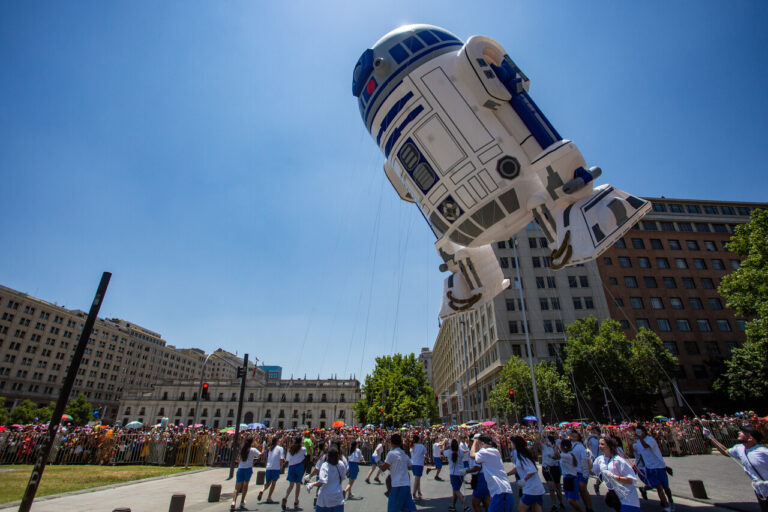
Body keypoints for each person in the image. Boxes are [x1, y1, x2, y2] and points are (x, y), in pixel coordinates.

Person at [705, 424, 768, 511]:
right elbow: (726, 452)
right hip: (760, 490)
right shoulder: (739, 448)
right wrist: (711, 437)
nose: (739, 432)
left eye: (743, 432)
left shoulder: (763, 451)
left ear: (750, 438)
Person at [591, 436, 641, 512]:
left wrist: (614, 477)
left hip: (628, 498)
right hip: (616, 496)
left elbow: (631, 480)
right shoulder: (600, 459)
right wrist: (588, 458)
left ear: (609, 446)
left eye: (602, 444)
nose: (599, 446)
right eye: (599, 444)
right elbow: (592, 472)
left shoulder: (619, 461)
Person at [633, 425, 673, 512]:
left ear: (643, 432)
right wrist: (640, 466)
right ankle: (666, 506)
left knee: (666, 487)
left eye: (639, 432)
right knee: (659, 487)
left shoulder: (650, 439)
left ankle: (671, 501)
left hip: (659, 466)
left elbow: (646, 446)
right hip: (649, 467)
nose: (637, 434)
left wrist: (640, 438)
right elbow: (641, 455)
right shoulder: (639, 442)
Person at [471, 433, 515, 512]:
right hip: (504, 491)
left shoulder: (484, 452)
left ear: (482, 443)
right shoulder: (495, 451)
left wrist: (474, 442)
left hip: (500, 492)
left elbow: (472, 455)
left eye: (479, 444)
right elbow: (479, 462)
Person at [378, 433, 417, 512]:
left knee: (393, 508)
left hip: (397, 485)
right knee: (408, 507)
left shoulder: (391, 454)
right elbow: (410, 466)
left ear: (391, 442)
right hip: (406, 484)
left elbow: (384, 468)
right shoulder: (404, 454)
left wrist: (378, 462)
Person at [307, 445, 347, 512]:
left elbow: (322, 481)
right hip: (337, 496)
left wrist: (312, 484)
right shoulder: (341, 464)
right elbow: (343, 477)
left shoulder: (325, 465)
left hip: (325, 498)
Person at [512, 436, 546, 512]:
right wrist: (506, 474)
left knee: (521, 510)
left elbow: (532, 470)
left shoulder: (522, 456)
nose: (511, 444)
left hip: (531, 489)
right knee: (536, 509)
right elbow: (517, 468)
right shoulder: (521, 454)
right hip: (534, 488)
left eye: (512, 442)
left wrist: (524, 480)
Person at [232, 436, 261, 511]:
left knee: (237, 487)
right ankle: (242, 502)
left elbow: (238, 460)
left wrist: (242, 462)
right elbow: (260, 455)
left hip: (240, 468)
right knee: (245, 486)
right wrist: (263, 448)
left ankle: (233, 502)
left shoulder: (242, 449)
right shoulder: (253, 450)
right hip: (248, 469)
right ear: (252, 442)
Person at [569, 431, 594, 512]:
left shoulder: (581, 447)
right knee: (575, 492)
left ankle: (589, 507)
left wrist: (586, 473)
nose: (573, 438)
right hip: (572, 472)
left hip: (580, 472)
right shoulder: (569, 446)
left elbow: (585, 460)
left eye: (575, 436)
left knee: (582, 489)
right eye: (572, 436)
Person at [466, 436, 491, 512]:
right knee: (485, 500)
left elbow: (477, 466)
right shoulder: (473, 450)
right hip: (480, 476)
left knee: (475, 502)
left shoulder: (479, 451)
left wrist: (466, 471)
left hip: (481, 477)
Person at [282, 436, 307, 511]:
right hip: (299, 466)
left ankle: (285, 497)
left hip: (291, 466)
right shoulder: (302, 449)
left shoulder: (290, 449)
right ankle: (296, 501)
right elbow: (305, 455)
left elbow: (287, 459)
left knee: (291, 485)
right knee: (298, 484)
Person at [444, 438, 469, 511]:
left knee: (456, 490)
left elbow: (443, 452)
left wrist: (447, 446)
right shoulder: (460, 451)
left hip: (454, 473)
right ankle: (453, 505)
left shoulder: (449, 452)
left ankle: (465, 505)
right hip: (461, 472)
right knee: (455, 490)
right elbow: (463, 451)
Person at [560, 439, 584, 512]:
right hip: (567, 478)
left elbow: (555, 455)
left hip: (571, 479)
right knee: (571, 500)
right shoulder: (569, 454)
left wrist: (555, 447)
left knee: (571, 500)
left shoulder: (565, 455)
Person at [542, 434, 564, 511]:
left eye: (547, 440)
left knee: (558, 486)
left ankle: (561, 502)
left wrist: (554, 449)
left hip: (555, 467)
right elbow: (538, 440)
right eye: (545, 440)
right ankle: (554, 504)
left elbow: (558, 457)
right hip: (546, 468)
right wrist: (540, 431)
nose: (546, 442)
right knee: (551, 486)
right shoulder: (543, 446)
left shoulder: (555, 447)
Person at [259, 435, 284, 504]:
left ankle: (262, 490)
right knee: (273, 483)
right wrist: (281, 467)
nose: (281, 440)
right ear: (277, 441)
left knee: (268, 482)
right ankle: (269, 497)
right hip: (275, 468)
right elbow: (281, 459)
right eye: (280, 439)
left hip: (268, 467)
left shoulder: (270, 448)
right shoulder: (280, 448)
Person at [410, 434, 427, 500]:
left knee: (417, 478)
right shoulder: (421, 446)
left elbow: (411, 453)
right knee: (417, 479)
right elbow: (425, 453)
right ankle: (413, 493)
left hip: (413, 463)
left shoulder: (412, 446)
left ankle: (419, 491)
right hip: (419, 463)